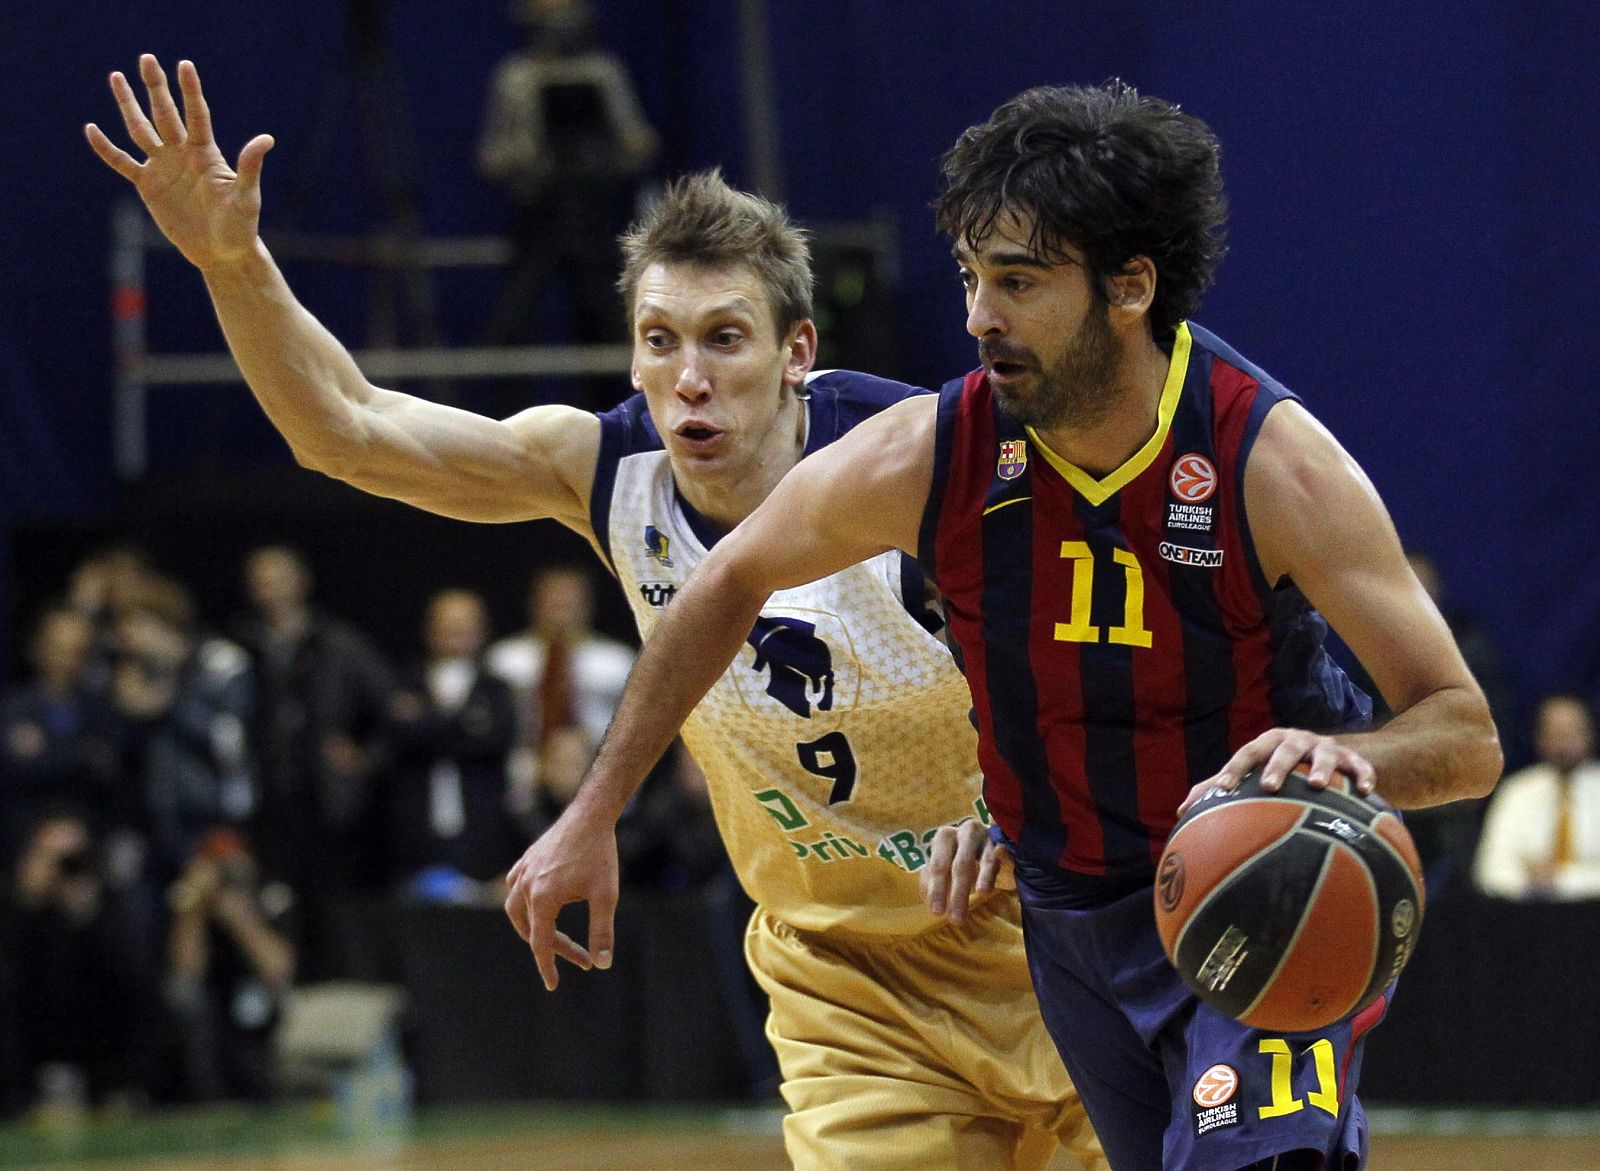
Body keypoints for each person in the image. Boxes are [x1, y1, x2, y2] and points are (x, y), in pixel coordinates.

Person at [86, 59, 1104, 1170]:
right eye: (660, 340)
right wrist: (233, 262)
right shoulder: (605, 469)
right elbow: (347, 428)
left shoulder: (917, 459)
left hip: (1047, 929)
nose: (688, 379)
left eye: (724, 338)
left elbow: (1092, 673)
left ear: (795, 352)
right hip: (843, 976)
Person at [496, 83, 1504, 1171]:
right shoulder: (933, 449)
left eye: (1017, 282)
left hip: (1255, 887)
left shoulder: (1270, 461)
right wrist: (593, 810)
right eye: (973, 277)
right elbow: (721, 585)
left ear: (1128, 288)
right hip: (1063, 916)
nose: (979, 314)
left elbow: (1464, 737)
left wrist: (1340, 762)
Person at [384, 589, 521, 888]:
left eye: (465, 626)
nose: (456, 634)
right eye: (447, 626)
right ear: (429, 629)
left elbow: (493, 743)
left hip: (482, 839)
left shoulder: (497, 690)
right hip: (414, 839)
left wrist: (427, 724)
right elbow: (397, 741)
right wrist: (463, 726)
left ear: (482, 631)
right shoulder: (403, 683)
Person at [1474, 694, 1600, 900]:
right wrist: (1526, 880)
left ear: (1589, 735)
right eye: (1556, 733)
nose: (1564, 744)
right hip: (1527, 918)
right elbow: (1488, 871)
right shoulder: (1516, 791)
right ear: (1540, 738)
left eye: (1571, 733)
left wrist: (1561, 880)